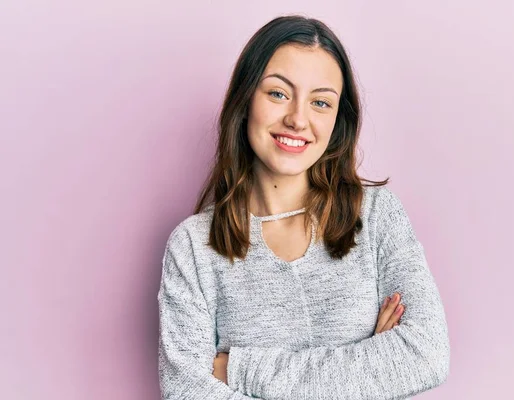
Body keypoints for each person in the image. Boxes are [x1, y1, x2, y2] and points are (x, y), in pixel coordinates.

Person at [157, 14, 450, 400]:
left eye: (320, 102)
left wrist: (237, 369)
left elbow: (424, 354)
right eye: (278, 93)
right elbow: (185, 392)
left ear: (337, 122)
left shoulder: (377, 216)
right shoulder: (194, 247)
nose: (298, 119)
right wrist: (368, 367)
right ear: (245, 100)